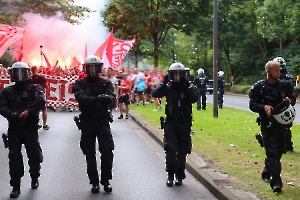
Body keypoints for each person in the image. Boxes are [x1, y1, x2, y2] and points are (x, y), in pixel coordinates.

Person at [249, 61, 296, 193]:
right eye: (276, 71)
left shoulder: (284, 85)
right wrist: (263, 107)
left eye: (279, 70)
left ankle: (267, 169)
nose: (279, 73)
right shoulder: (259, 87)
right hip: (267, 124)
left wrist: (289, 100)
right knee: (272, 152)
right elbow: (252, 105)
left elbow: (292, 98)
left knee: (280, 149)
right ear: (268, 72)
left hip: (282, 124)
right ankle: (276, 182)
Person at [0, 62, 46, 198]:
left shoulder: (35, 88)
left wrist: (28, 111)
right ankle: (15, 186)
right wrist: (11, 114)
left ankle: (34, 177)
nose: (19, 76)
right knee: (14, 158)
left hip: (30, 128)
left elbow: (41, 101)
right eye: (16, 73)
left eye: (22, 73)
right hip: (14, 128)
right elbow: (2, 106)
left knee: (34, 155)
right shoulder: (7, 91)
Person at [72, 55, 116, 193]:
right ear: (85, 68)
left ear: (99, 68)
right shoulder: (79, 83)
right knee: (89, 153)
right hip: (87, 121)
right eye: (90, 67)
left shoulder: (106, 83)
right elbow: (81, 98)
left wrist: (107, 98)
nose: (92, 70)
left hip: (102, 121)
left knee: (107, 151)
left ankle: (106, 180)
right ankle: (94, 182)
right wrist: (98, 99)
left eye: (95, 67)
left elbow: (112, 98)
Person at [152, 62, 198, 187]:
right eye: (175, 74)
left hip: (184, 123)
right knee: (171, 149)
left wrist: (189, 87)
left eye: (179, 74)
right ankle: (170, 174)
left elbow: (194, 99)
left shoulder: (186, 86)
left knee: (183, 150)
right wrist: (164, 83)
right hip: (171, 123)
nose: (177, 77)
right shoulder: (168, 86)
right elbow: (155, 94)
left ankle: (179, 175)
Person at [273, 57, 295, 151]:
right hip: (288, 104)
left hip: (280, 104)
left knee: (279, 126)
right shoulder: (290, 76)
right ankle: (288, 145)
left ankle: (282, 145)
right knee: (286, 126)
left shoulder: (276, 76)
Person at [31, 66, 50, 130]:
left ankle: (35, 123)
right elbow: (47, 86)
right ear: (37, 69)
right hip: (40, 95)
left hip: (32, 95)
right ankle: (44, 124)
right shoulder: (42, 77)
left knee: (34, 109)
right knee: (44, 109)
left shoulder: (30, 78)